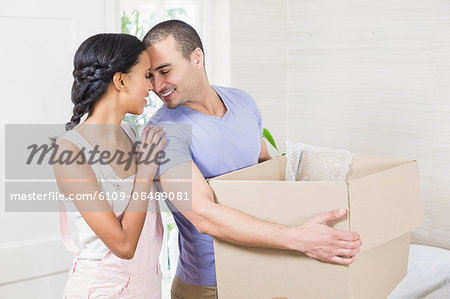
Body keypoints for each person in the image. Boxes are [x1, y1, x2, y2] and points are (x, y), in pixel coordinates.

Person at [143, 20, 363, 299]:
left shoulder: (243, 102)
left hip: (265, 267)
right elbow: (202, 215)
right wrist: (300, 240)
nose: (157, 85)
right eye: (150, 76)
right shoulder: (162, 132)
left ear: (196, 58)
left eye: (165, 71)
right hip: (210, 285)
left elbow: (267, 174)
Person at [53, 33, 166, 298]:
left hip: (148, 284)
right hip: (103, 290)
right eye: (147, 74)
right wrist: (146, 172)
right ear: (121, 80)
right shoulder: (70, 152)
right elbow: (124, 245)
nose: (153, 86)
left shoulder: (128, 132)